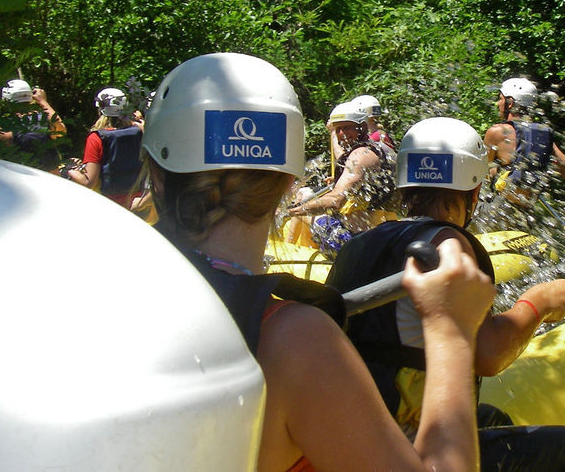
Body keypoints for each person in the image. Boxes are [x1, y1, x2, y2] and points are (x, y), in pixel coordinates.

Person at [141, 52, 496, 472]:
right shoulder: (293, 338)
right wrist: (451, 332)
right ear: (289, 179)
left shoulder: (102, 282)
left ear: (157, 175)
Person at [326, 117, 565, 471]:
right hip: (406, 450)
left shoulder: (359, 244)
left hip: (351, 439)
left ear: (403, 186)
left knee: (490, 416)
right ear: (475, 191)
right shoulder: (448, 245)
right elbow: (488, 354)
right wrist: (537, 305)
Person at [484, 77, 565, 242]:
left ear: (510, 103)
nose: (498, 103)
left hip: (499, 212)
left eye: (500, 99)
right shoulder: (543, 136)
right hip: (528, 215)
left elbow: (480, 173)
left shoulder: (497, 132)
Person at [287, 100, 396, 256]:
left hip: (355, 240)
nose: (342, 134)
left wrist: (292, 211)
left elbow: (336, 200)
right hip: (373, 231)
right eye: (338, 129)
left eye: (347, 128)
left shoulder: (361, 155)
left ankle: (288, 251)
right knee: (305, 195)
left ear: (362, 127)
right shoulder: (367, 149)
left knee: (304, 195)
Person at [66, 87, 142, 207]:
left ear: (100, 110)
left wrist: (68, 170)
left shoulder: (96, 138)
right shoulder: (140, 130)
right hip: (140, 200)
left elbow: (89, 182)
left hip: (111, 203)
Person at [0, 78, 67, 170]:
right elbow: (61, 130)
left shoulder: (3, 127)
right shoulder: (43, 120)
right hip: (49, 178)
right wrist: (43, 101)